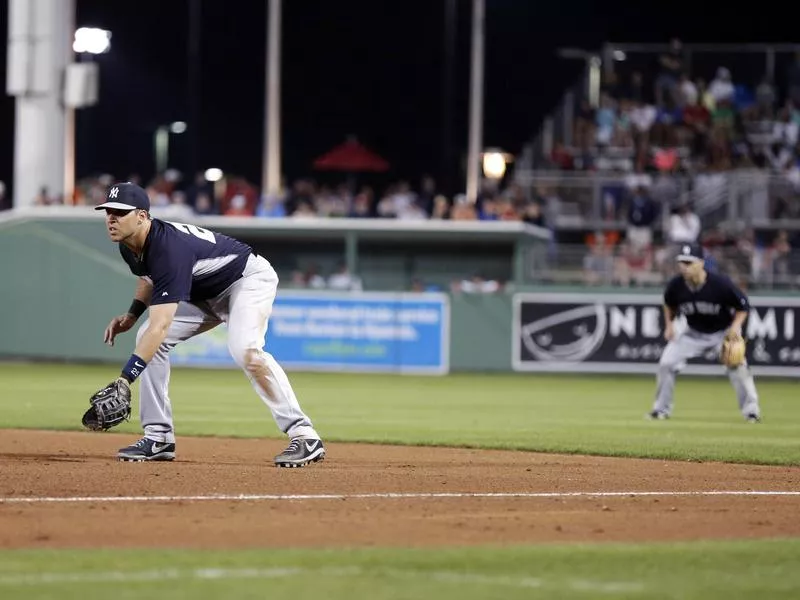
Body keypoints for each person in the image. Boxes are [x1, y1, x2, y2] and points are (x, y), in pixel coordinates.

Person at [93, 182, 325, 466]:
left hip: (246, 280)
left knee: (245, 350)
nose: (111, 218)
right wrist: (131, 315)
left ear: (142, 216)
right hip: (205, 294)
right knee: (146, 336)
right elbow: (147, 278)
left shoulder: (168, 249)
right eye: (108, 212)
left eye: (120, 212)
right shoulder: (129, 245)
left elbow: (161, 325)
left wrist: (124, 379)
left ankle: (305, 435)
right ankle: (158, 437)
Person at [648, 243, 761, 422]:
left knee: (738, 367)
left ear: (701, 263)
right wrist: (669, 325)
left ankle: (751, 411)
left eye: (689, 262)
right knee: (666, 363)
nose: (684, 267)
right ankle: (660, 410)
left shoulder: (720, 284)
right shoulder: (676, 285)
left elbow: (743, 306)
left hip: (721, 334)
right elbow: (669, 304)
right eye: (681, 262)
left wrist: (734, 327)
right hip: (692, 333)